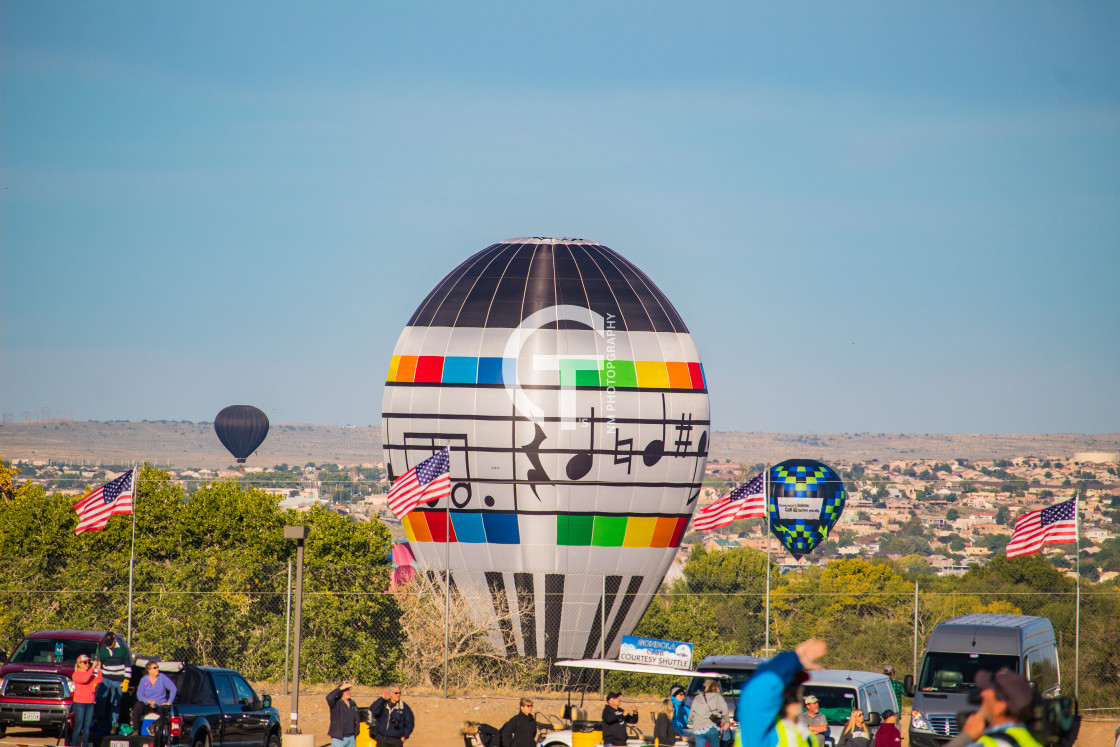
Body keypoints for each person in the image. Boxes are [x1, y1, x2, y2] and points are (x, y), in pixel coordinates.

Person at [735, 637, 828, 747]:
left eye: (797, 686)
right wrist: (793, 658)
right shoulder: (761, 731)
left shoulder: (803, 734)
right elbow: (754, 694)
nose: (795, 692)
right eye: (788, 688)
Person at [941, 669, 1043, 747]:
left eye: (988, 689)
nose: (982, 694)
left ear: (1000, 706)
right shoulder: (1033, 742)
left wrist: (966, 736)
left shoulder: (990, 743)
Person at [129, 662, 177, 736]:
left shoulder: (162, 677)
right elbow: (139, 695)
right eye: (155, 668)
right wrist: (148, 701)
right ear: (149, 670)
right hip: (148, 705)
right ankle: (135, 731)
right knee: (138, 705)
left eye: (157, 667)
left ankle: (153, 726)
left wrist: (169, 702)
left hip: (160, 705)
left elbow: (173, 689)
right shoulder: (144, 680)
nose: (157, 669)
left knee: (167, 711)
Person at [95, 632, 129, 734]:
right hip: (105, 678)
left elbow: (127, 665)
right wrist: (96, 679)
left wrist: (126, 680)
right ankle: (100, 718)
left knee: (116, 702)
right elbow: (98, 665)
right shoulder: (103, 650)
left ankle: (114, 724)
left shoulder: (123, 649)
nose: (109, 644)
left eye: (110, 642)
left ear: (115, 640)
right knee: (101, 698)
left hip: (118, 679)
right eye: (107, 642)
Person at [71, 654, 102, 747]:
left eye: (89, 662)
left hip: (90, 703)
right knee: (78, 726)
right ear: (79, 664)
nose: (87, 664)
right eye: (85, 662)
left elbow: (99, 680)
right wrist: (93, 667)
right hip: (79, 703)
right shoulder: (76, 675)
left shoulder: (90, 674)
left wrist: (99, 669)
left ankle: (85, 744)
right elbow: (84, 679)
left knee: (87, 727)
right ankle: (75, 744)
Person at [687, 679, 728, 747]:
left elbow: (691, 715)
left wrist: (697, 720)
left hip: (698, 728)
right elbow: (725, 710)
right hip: (711, 727)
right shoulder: (718, 697)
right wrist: (727, 722)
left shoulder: (697, 698)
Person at [326, 682, 360, 747]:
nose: (348, 692)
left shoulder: (352, 704)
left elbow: (357, 718)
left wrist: (356, 731)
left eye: (349, 690)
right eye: (346, 690)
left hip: (351, 738)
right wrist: (340, 688)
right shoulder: (336, 703)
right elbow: (329, 698)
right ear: (341, 692)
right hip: (339, 738)